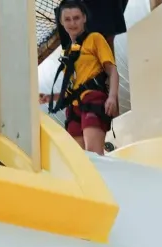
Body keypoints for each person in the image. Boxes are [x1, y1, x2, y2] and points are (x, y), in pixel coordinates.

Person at [40, 0, 120, 155]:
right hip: (75, 107)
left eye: (76, 18)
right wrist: (51, 97)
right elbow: (74, 88)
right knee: (79, 158)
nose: (72, 23)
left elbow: (112, 70)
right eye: (67, 19)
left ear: (84, 18)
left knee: (94, 155)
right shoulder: (68, 52)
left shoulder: (95, 39)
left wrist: (112, 96)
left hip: (93, 100)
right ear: (62, 22)